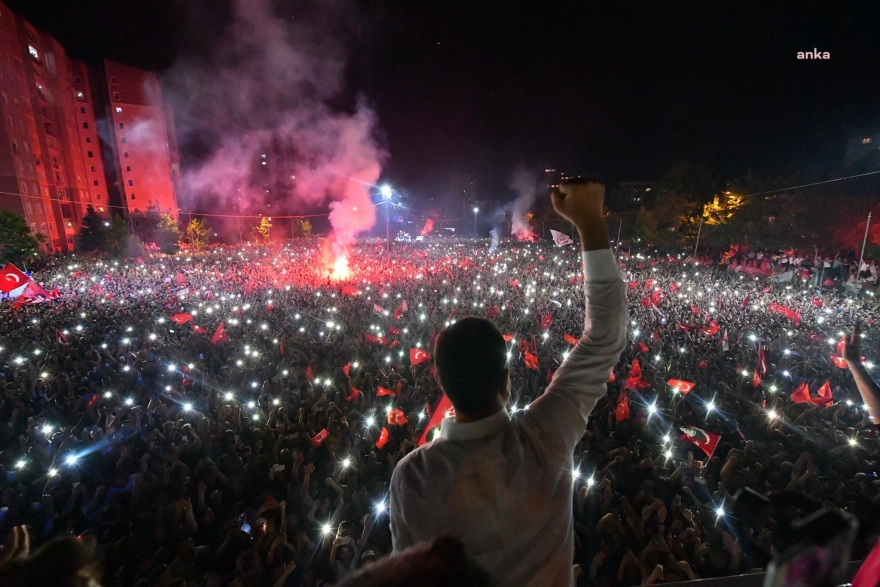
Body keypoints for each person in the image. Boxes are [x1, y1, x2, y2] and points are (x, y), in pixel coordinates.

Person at [388, 179, 627, 586]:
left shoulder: (413, 477)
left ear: (439, 380)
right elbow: (605, 334)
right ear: (507, 378)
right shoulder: (545, 439)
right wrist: (589, 222)